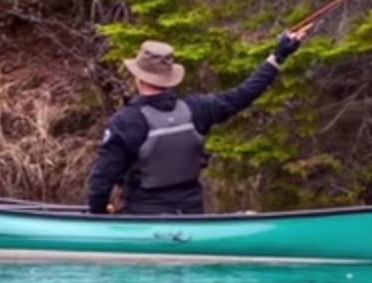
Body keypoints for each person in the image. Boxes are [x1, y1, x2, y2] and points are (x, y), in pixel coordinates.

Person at [85, 27, 311, 215]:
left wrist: (97, 214)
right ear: (170, 77)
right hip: (191, 214)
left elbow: (102, 180)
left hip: (144, 218)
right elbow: (243, 95)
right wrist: (277, 57)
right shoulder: (197, 108)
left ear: (138, 77)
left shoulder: (125, 121)